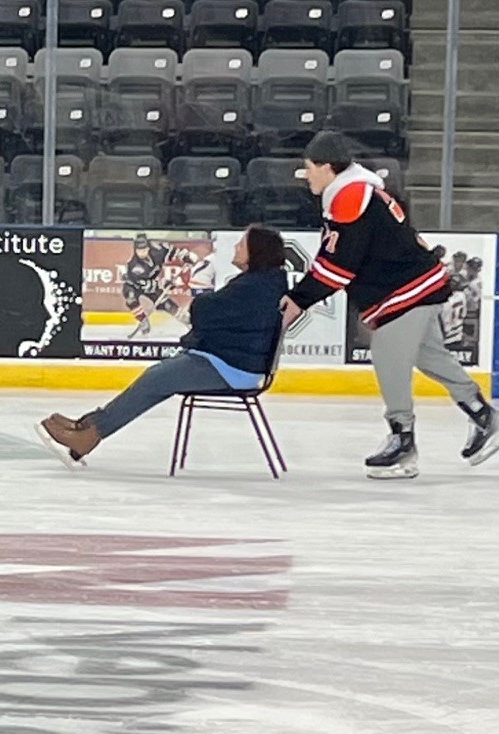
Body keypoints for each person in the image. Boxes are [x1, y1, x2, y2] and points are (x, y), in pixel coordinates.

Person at [281, 130, 497, 478]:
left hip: (405, 290)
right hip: (419, 283)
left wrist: (297, 299)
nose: (306, 175)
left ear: (328, 167)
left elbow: (338, 267)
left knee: (386, 355)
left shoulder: (349, 196)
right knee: (429, 355)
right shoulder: (361, 190)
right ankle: (483, 415)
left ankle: (402, 441)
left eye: (309, 167)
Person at [38, 225, 289, 467]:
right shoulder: (260, 283)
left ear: (256, 251)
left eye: (242, 244)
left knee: (155, 379)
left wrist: (202, 304)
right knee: (156, 377)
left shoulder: (255, 287)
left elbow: (207, 312)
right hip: (228, 360)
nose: (236, 247)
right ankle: (89, 426)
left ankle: (90, 434)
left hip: (232, 367)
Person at [121, 233, 209, 339]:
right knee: (130, 298)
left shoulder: (158, 250)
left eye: (144, 250)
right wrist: (164, 284)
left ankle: (189, 323)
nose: (142, 253)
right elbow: (146, 286)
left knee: (168, 305)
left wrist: (186, 256)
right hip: (133, 285)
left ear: (148, 248)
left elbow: (172, 251)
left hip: (151, 282)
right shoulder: (135, 266)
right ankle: (143, 321)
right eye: (139, 251)